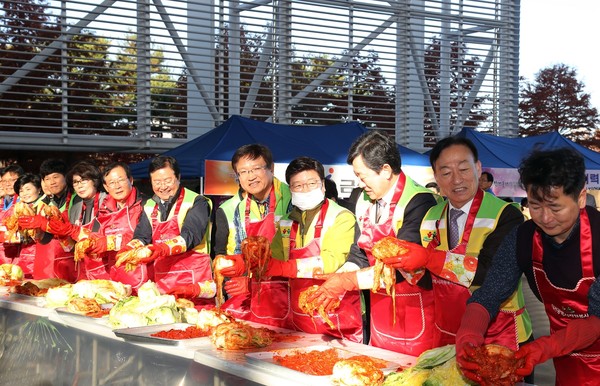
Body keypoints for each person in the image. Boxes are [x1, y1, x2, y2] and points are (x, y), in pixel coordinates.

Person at [455, 148, 600, 386]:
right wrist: (469, 334)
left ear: (581, 197)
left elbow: (597, 321)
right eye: (535, 205)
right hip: (566, 357)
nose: (545, 218)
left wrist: (545, 346)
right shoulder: (522, 239)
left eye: (555, 207)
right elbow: (489, 294)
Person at [386, 136, 531, 353]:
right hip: (447, 332)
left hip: (499, 333)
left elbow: (490, 274)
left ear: (478, 167)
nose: (456, 180)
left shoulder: (507, 214)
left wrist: (427, 258)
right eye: (446, 173)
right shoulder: (430, 217)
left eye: (463, 169)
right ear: (436, 177)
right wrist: (409, 268)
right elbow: (429, 281)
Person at [309, 130, 439, 355]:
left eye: (363, 175)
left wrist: (345, 281)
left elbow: (401, 266)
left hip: (412, 306)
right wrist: (339, 276)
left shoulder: (419, 201)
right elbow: (358, 252)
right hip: (377, 305)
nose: (360, 182)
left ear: (386, 170)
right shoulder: (361, 198)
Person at [268, 157, 362, 341]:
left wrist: (286, 267)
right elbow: (274, 258)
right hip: (299, 316)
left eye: (312, 183)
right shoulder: (287, 221)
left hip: (336, 315)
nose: (305, 190)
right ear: (290, 190)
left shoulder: (341, 217)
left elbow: (333, 260)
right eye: (298, 186)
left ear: (323, 186)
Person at [212, 144, 293, 328]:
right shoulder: (235, 209)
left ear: (271, 168)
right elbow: (231, 254)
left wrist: (251, 280)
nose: (251, 176)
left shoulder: (292, 198)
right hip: (250, 294)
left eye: (256, 168)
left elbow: (293, 253)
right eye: (243, 171)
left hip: (287, 291)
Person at [116, 156, 213, 302]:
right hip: (164, 284)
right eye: (157, 182)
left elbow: (191, 236)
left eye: (167, 180)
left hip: (193, 283)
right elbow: (142, 236)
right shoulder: (149, 205)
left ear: (178, 177)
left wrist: (162, 249)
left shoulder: (197, 201)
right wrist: (128, 249)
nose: (163, 186)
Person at [47, 161, 113, 281]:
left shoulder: (109, 202)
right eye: (76, 182)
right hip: (83, 272)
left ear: (94, 181)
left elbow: (109, 238)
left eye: (84, 180)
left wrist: (73, 231)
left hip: (106, 270)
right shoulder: (75, 208)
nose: (80, 185)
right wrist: (63, 236)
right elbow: (73, 248)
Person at [18, 159, 78, 280]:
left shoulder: (76, 200)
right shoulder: (45, 203)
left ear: (66, 177)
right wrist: (36, 232)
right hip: (45, 264)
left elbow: (75, 233)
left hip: (67, 264)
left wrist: (46, 224)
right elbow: (45, 239)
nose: (52, 182)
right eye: (47, 179)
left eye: (55, 177)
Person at [9, 173, 43, 276]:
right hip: (24, 254)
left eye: (28, 189)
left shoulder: (44, 207)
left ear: (39, 189)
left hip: (40, 255)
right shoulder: (20, 208)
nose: (24, 193)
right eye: (21, 190)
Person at [0, 164, 25, 263]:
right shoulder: (3, 202)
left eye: (12, 180)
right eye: (4, 181)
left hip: (18, 256)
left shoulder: (24, 202)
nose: (8, 184)